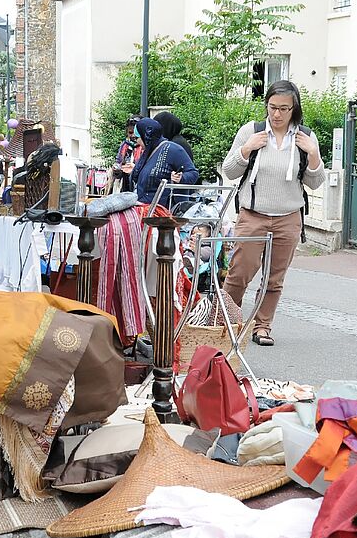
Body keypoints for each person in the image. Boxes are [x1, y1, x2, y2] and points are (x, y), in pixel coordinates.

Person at [220, 80, 325, 347]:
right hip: (253, 215)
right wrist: (246, 149)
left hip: (288, 217)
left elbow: (315, 183)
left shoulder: (305, 137)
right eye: (272, 107)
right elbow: (229, 170)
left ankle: (262, 326)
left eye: (284, 109)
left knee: (274, 278)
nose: (277, 114)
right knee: (239, 273)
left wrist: (313, 155)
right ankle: (225, 323)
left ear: (294, 109)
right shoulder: (251, 131)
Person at [131, 118, 200, 207]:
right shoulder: (148, 153)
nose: (136, 142)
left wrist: (181, 178)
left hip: (164, 211)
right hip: (145, 208)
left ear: (146, 136)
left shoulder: (172, 149)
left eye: (137, 138)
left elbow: (193, 173)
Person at [112, 117, 142, 193]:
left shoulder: (145, 147)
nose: (133, 136)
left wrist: (134, 169)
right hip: (125, 186)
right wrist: (117, 169)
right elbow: (118, 161)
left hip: (139, 187)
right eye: (130, 133)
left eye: (136, 133)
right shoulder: (124, 145)